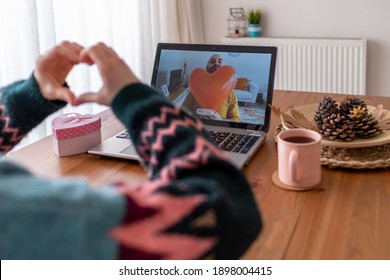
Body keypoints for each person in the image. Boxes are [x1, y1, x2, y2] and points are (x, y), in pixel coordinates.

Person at [0, 41, 262, 259]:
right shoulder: (24, 215)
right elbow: (229, 210)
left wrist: (29, 94)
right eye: (212, 62)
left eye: (220, 62)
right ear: (206, 66)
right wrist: (133, 96)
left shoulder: (230, 92)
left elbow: (234, 114)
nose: (216, 65)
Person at [182, 54, 241, 121]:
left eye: (219, 61)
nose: (216, 63)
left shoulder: (231, 93)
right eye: (212, 61)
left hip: (220, 128)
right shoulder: (196, 89)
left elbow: (236, 119)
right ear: (206, 68)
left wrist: (220, 120)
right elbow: (182, 111)